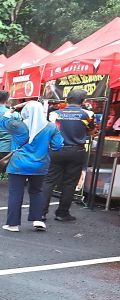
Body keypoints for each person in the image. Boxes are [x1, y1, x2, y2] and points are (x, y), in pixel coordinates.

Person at [2, 100, 63, 232]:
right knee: (37, 191)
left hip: (18, 164)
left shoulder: (18, 126)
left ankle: (13, 224)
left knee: (15, 193)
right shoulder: (51, 127)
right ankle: (38, 219)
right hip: (40, 165)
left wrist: (13, 108)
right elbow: (58, 146)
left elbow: (2, 121)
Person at [44, 90, 94, 222]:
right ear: (83, 101)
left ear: (67, 100)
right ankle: (62, 213)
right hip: (76, 151)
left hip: (56, 150)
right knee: (70, 183)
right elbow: (92, 130)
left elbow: (49, 129)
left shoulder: (54, 114)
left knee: (49, 181)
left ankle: (41, 213)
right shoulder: (87, 114)